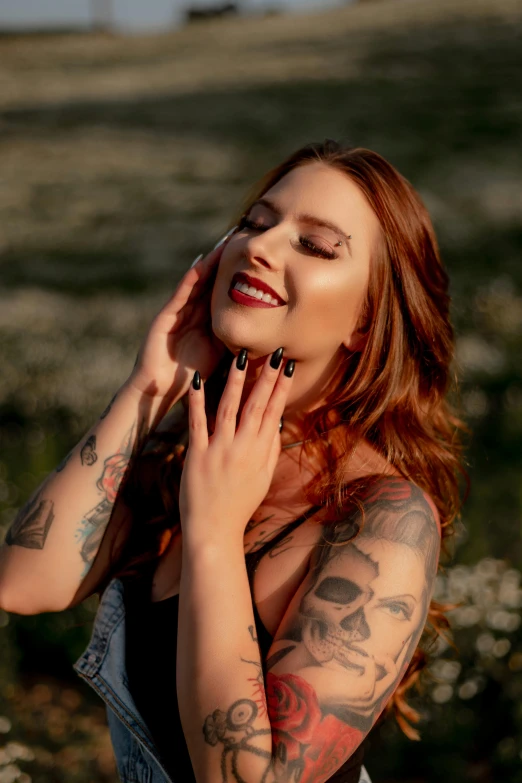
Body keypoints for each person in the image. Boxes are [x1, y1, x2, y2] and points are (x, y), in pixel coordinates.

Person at [0, 139, 465, 783]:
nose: (260, 247)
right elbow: (25, 583)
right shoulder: (185, 452)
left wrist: (215, 534)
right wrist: (148, 388)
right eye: (256, 222)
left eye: (317, 246)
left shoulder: (380, 517)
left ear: (365, 321)